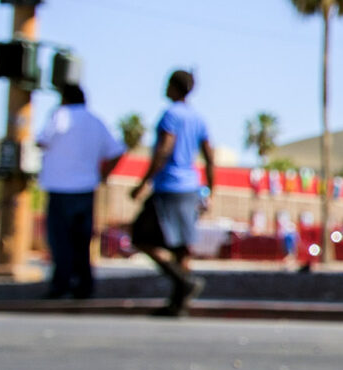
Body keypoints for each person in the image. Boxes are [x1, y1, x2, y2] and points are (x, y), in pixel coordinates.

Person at [130, 69, 216, 316]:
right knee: (181, 247)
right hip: (191, 187)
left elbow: (164, 148)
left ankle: (182, 281)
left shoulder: (171, 115)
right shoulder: (198, 118)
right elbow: (210, 157)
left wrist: (144, 182)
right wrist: (210, 190)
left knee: (140, 236)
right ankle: (179, 304)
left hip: (169, 186)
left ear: (175, 87)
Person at [36, 82, 125, 300]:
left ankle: (61, 284)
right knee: (82, 240)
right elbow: (117, 150)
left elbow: (41, 140)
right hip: (85, 188)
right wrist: (103, 175)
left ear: (65, 98)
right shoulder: (96, 121)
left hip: (60, 188)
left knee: (60, 241)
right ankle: (84, 284)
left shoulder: (60, 115)